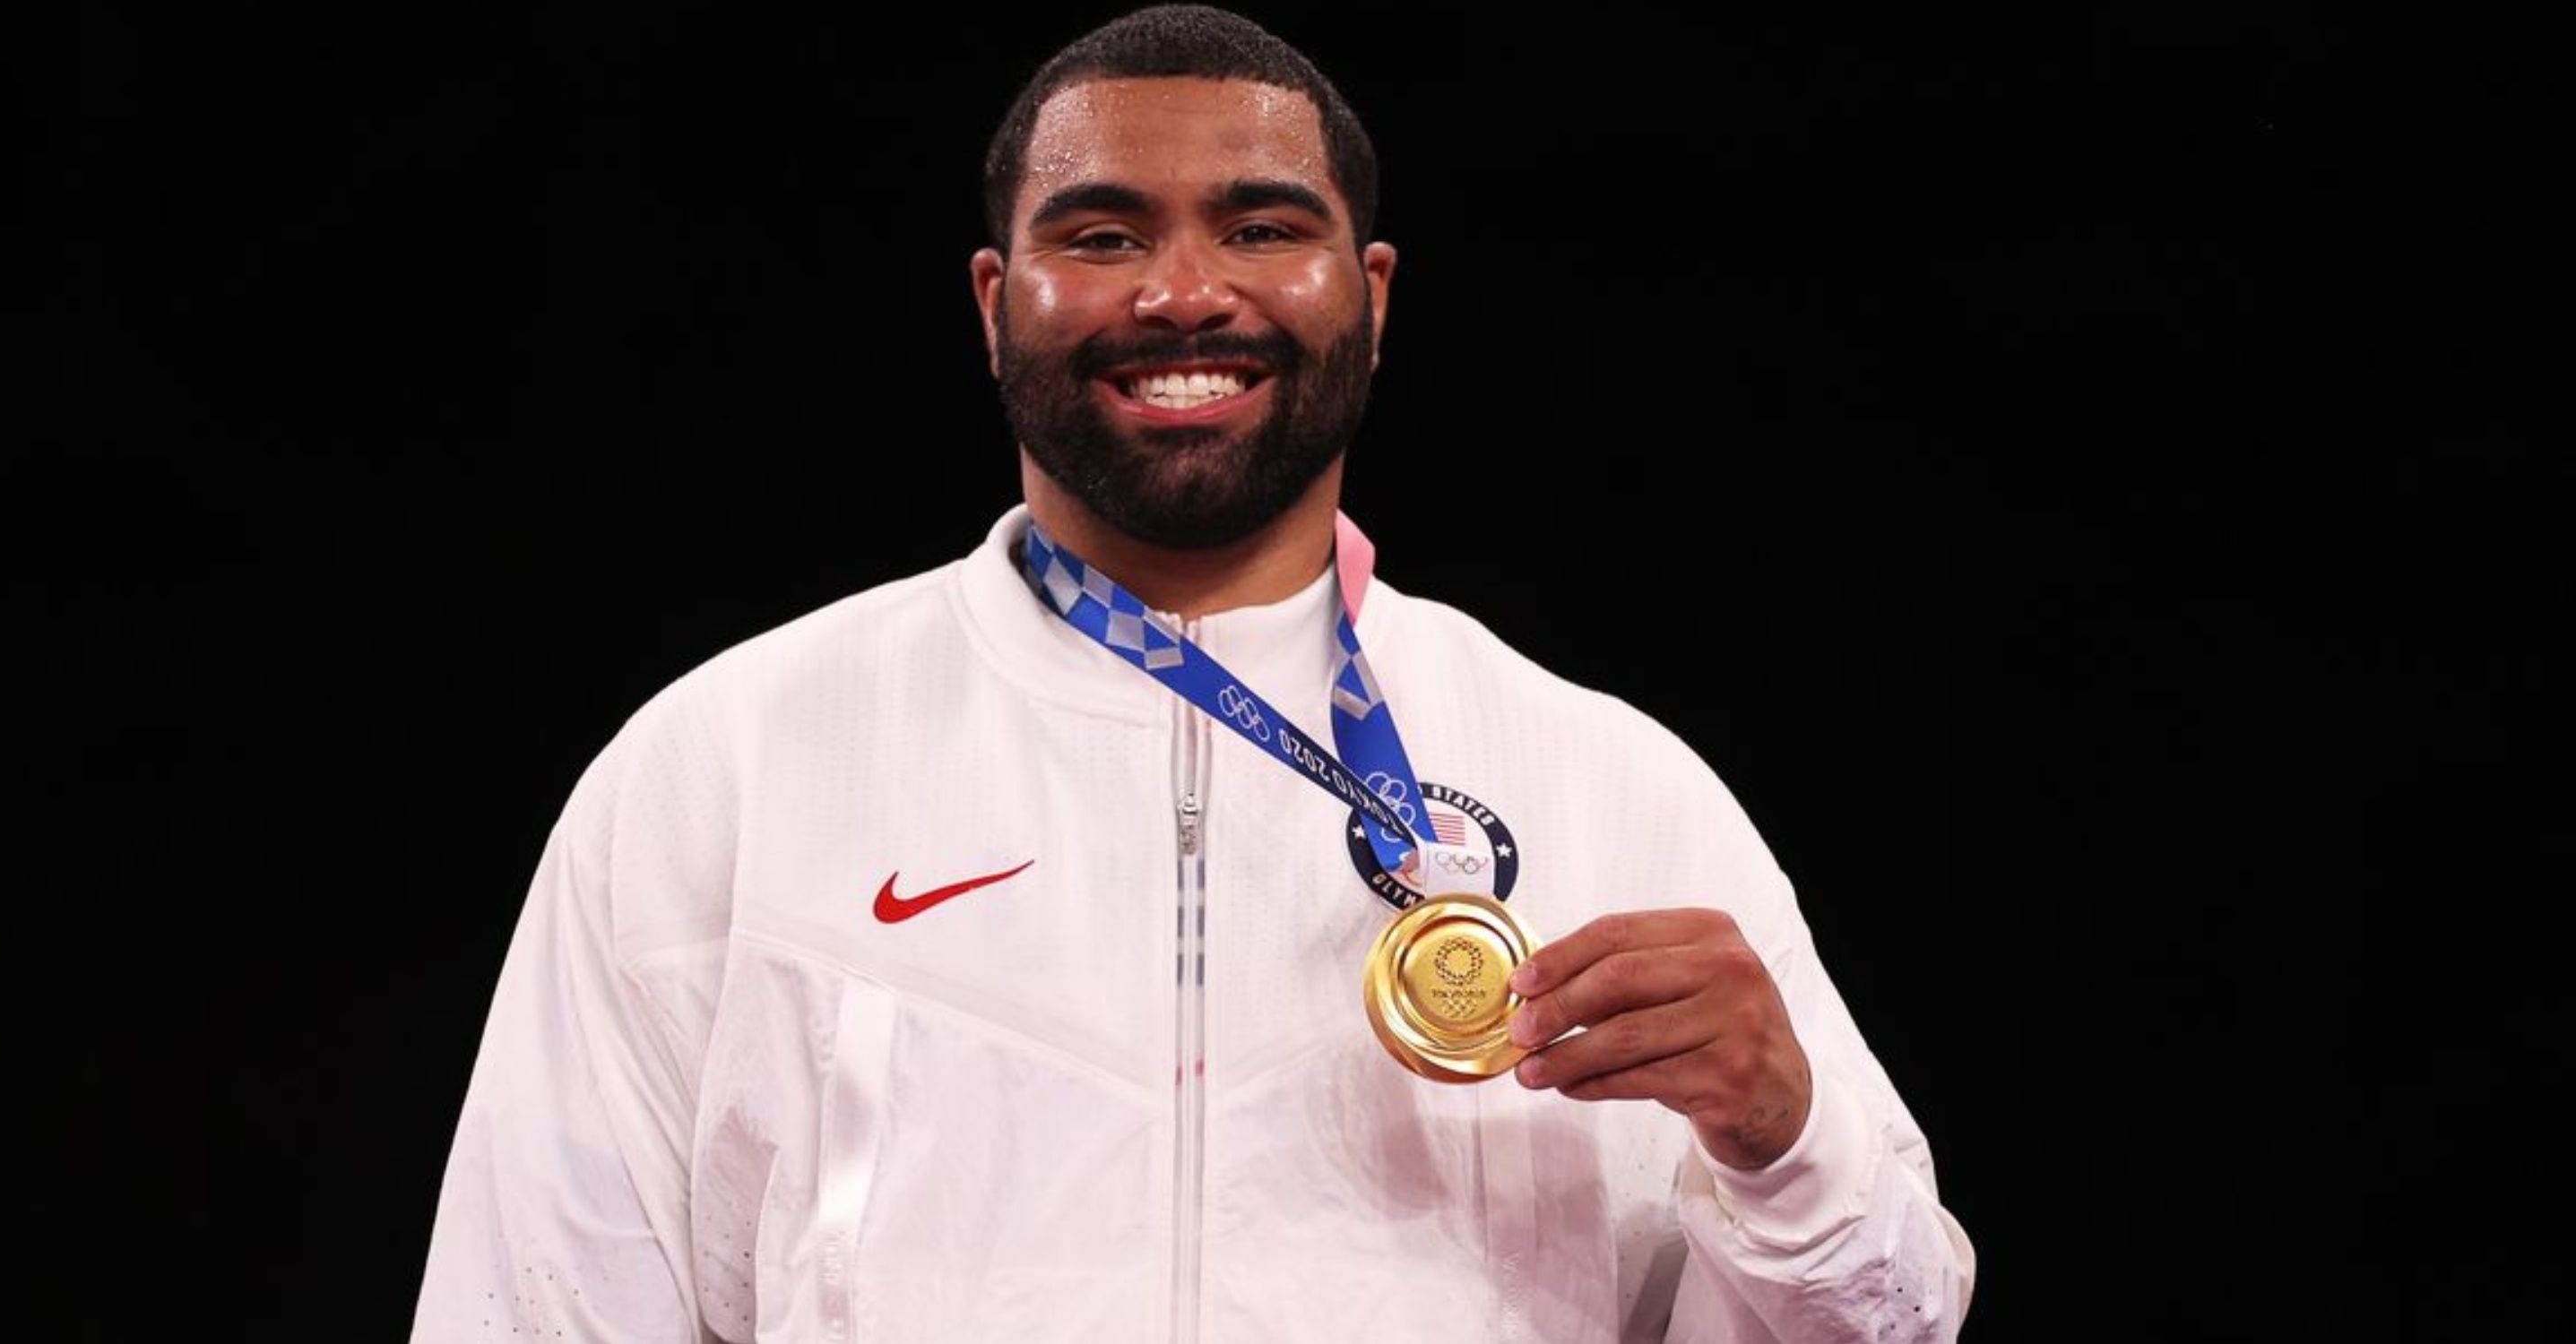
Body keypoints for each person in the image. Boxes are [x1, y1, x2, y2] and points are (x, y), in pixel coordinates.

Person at [410, 6, 1975, 1340]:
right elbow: (532, 1302)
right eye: (1100, 235)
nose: (1181, 292)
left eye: (1261, 227)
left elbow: (1890, 1313)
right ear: (991, 301)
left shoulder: (1611, 786)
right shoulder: (731, 769)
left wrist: (1787, 1150)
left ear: (1370, 292)